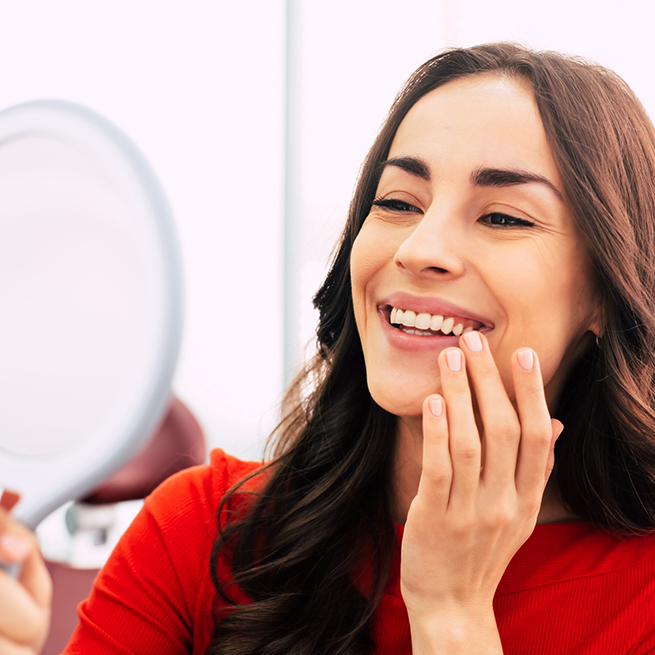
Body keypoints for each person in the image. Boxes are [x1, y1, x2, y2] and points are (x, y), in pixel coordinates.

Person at [3, 42, 655, 654]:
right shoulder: (203, 530)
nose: (417, 248)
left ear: (604, 288)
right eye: (398, 202)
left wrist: (450, 612)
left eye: (501, 217)